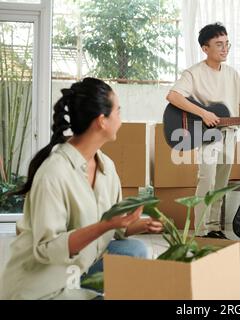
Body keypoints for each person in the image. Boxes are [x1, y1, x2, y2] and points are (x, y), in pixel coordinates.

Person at [0, 78, 163, 300]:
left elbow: (115, 229)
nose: (121, 121)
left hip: (78, 268)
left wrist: (142, 224)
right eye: (118, 112)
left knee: (135, 251)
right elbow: (46, 249)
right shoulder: (54, 172)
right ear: (101, 121)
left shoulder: (107, 168)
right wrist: (107, 224)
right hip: (40, 285)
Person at [166, 22, 240, 239]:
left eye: (227, 44)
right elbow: (173, 96)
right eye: (219, 44)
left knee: (221, 184)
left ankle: (214, 227)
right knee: (207, 178)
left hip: (230, 133)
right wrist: (203, 113)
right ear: (205, 48)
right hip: (207, 134)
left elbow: (238, 104)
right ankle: (202, 229)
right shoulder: (193, 73)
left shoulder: (232, 74)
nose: (225, 49)